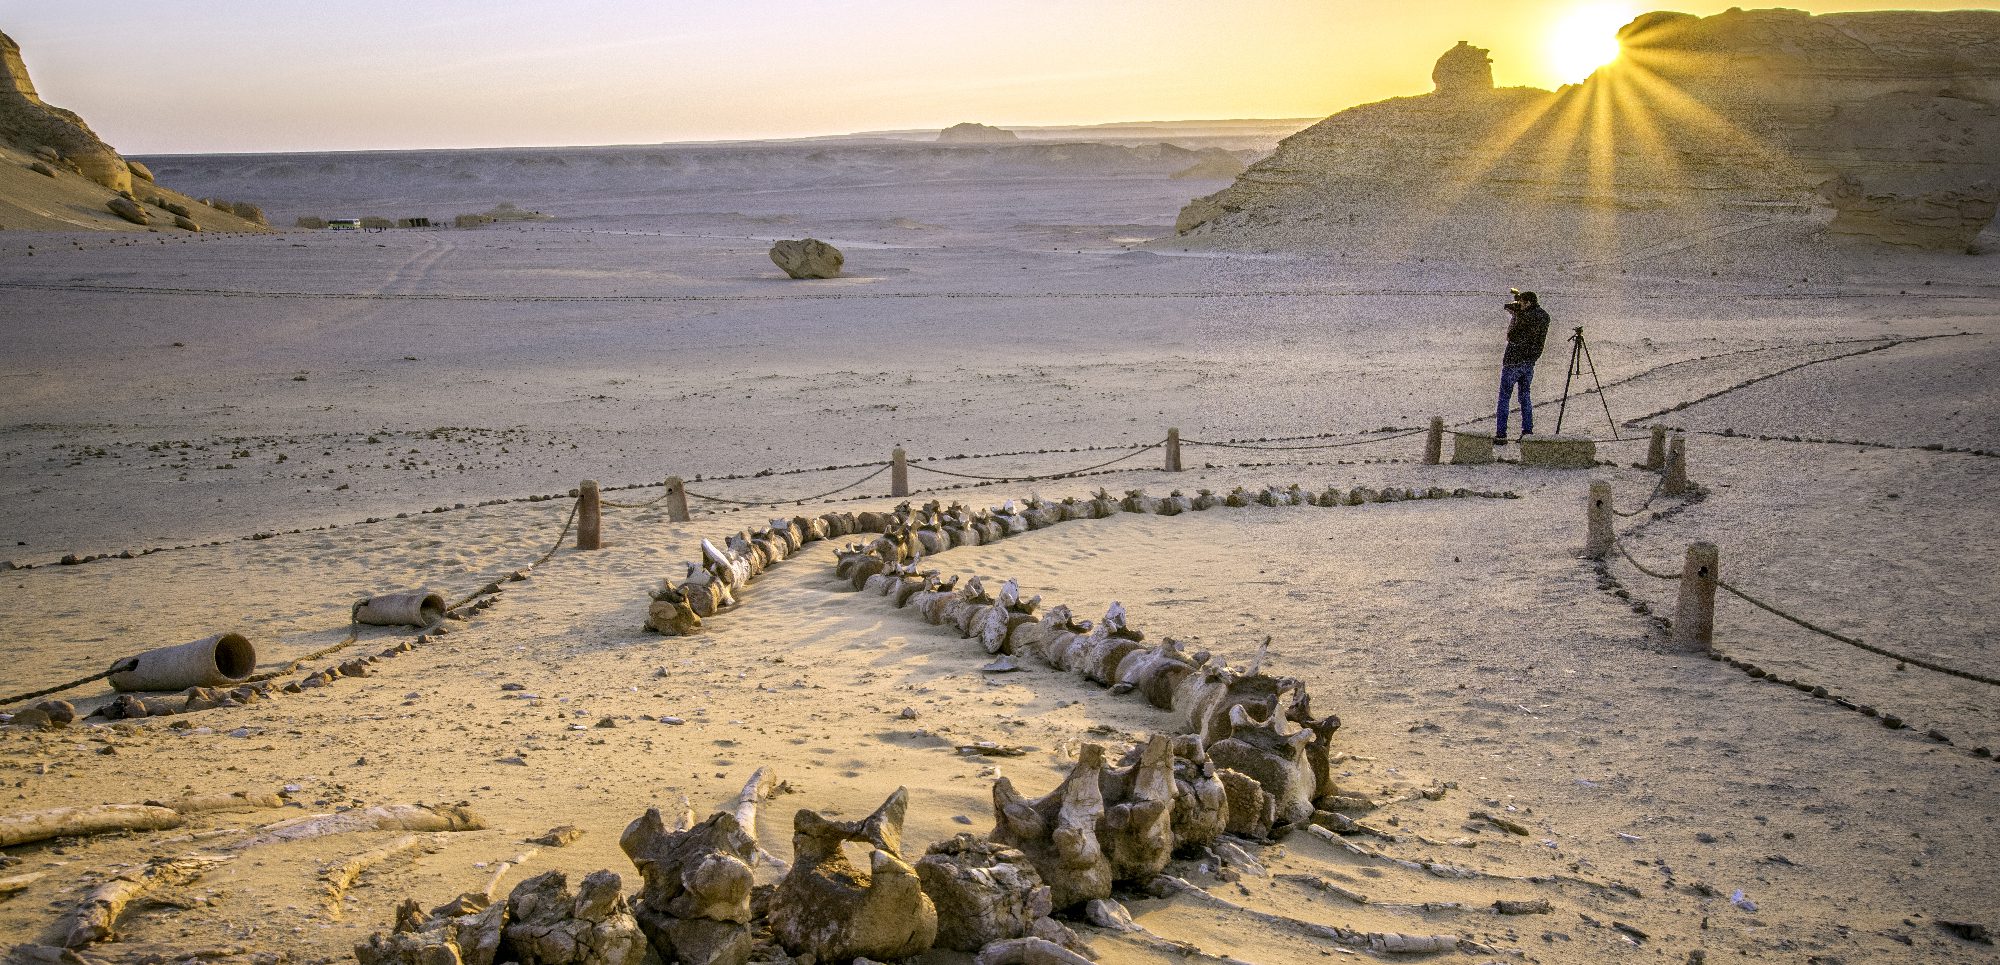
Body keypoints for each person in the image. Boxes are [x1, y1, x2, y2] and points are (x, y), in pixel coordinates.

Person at [1494, 289, 1550, 444]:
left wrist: (1516, 317)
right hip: (1530, 361)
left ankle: (1501, 434)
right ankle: (1527, 432)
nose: (1520, 306)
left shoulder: (1524, 317)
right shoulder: (1544, 316)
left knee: (1504, 397)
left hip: (1513, 361)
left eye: (1522, 303)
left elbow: (1511, 336)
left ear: (1528, 303)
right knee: (1525, 397)